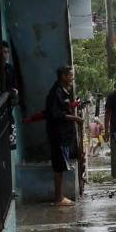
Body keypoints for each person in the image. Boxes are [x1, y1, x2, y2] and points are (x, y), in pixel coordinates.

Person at [45, 65, 83, 206]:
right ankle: (58, 198)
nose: (72, 78)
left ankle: (60, 197)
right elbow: (56, 114)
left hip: (64, 135)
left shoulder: (63, 92)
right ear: (63, 76)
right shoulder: (56, 93)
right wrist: (75, 119)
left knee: (61, 166)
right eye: (71, 75)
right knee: (59, 166)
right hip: (57, 135)